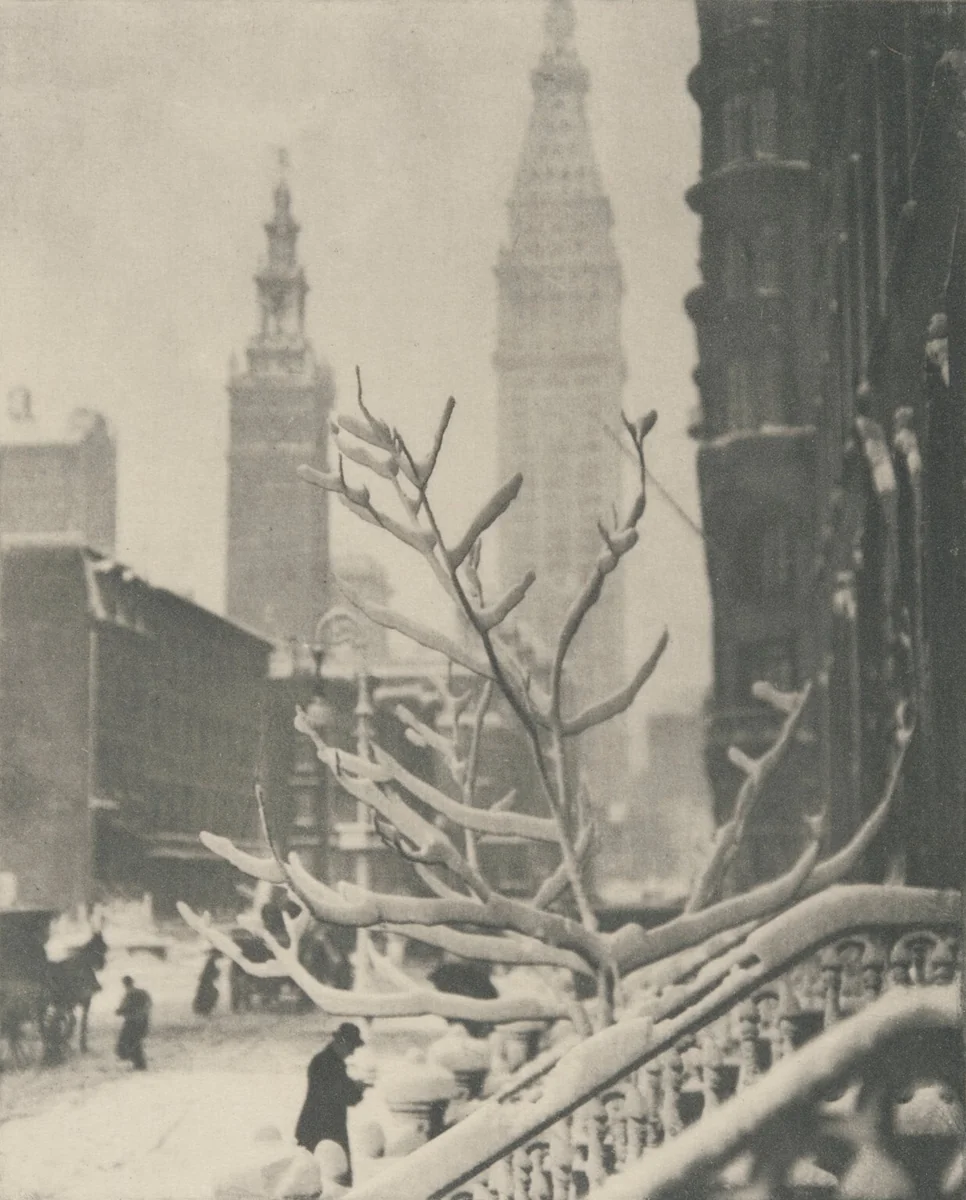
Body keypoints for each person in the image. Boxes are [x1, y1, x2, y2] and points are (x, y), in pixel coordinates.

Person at [294, 1022, 366, 1181]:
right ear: (343, 1043)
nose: (353, 1052)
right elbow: (342, 1095)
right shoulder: (329, 1063)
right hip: (324, 1130)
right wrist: (358, 1089)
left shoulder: (326, 1061)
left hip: (316, 1127)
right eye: (352, 1047)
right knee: (332, 1179)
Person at [116, 975, 152, 1070]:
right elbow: (148, 1004)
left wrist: (120, 1011)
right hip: (142, 1021)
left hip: (132, 1022)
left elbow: (126, 1008)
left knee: (128, 1043)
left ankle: (139, 1064)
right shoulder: (142, 992)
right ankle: (139, 1064)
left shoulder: (129, 994)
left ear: (125, 984)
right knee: (135, 1043)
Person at [192, 949, 221, 1016]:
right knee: (210, 995)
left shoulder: (211, 961)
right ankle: (204, 1011)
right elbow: (210, 974)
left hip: (206, 983)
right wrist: (217, 972)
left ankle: (204, 1010)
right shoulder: (211, 962)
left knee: (209, 994)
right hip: (207, 983)